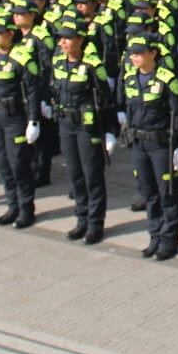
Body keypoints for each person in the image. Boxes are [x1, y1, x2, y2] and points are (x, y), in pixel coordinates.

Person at [120, 34, 178, 260]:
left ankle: (169, 240)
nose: (135, 57)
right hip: (140, 143)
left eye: (140, 53)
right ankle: (155, 236)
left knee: (167, 193)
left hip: (162, 145)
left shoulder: (168, 79)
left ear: (153, 53)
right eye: (133, 53)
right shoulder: (130, 78)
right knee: (148, 192)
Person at [50, 19, 116, 241]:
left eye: (68, 38)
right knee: (75, 174)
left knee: (92, 175)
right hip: (66, 125)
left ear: (80, 39)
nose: (62, 42)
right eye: (61, 38)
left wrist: (109, 130)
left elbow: (106, 99)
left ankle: (95, 223)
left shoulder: (92, 65)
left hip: (88, 128)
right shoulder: (59, 63)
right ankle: (82, 218)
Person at [0, 18, 42, 228]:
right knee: (2, 163)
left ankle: (26, 208)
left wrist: (33, 119)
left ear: (10, 34)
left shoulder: (22, 57)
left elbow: (32, 90)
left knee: (18, 163)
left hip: (14, 116)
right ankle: (12, 205)